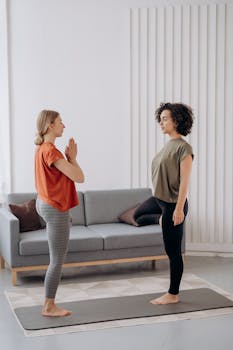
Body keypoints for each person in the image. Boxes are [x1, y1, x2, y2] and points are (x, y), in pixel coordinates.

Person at [34, 110, 84, 317]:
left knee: (56, 257)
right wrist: (73, 158)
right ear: (50, 126)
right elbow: (79, 177)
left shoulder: (41, 149)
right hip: (54, 207)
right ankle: (49, 306)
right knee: (57, 260)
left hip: (44, 202)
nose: (64, 125)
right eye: (60, 122)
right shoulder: (51, 151)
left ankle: (49, 304)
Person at [145, 102, 194, 305]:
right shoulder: (168, 144)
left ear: (177, 121)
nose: (161, 122)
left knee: (172, 252)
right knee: (137, 214)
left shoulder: (184, 148)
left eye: (165, 119)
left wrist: (179, 208)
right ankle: (160, 218)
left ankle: (173, 294)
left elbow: (185, 181)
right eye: (161, 118)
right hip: (160, 202)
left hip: (174, 204)